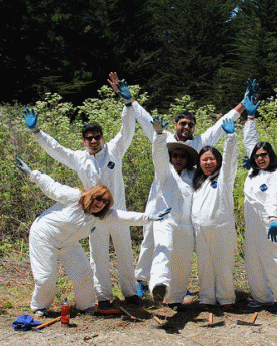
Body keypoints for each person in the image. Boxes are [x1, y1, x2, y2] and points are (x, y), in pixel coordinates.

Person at [108, 72, 258, 296]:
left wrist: (242, 107)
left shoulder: (199, 143)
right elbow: (145, 118)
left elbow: (220, 125)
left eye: (191, 124)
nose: (187, 127)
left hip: (186, 200)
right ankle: (141, 281)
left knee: (181, 245)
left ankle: (178, 285)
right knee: (151, 238)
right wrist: (129, 100)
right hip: (159, 196)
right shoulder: (164, 136)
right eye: (183, 123)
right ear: (176, 124)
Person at [22, 89, 141, 313]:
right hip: (94, 216)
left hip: (118, 213)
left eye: (97, 136)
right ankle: (103, 296)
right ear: (84, 141)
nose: (93, 140)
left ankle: (131, 293)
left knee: (125, 252)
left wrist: (127, 104)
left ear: (102, 137)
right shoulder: (79, 158)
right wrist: (37, 131)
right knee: (98, 256)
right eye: (89, 138)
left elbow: (127, 131)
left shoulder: (114, 150)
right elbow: (56, 150)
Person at [14, 157, 170, 317]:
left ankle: (86, 306)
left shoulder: (102, 216)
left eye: (105, 202)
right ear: (91, 196)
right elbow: (52, 187)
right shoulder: (75, 197)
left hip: (68, 242)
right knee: (46, 276)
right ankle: (39, 306)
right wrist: (32, 174)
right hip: (44, 236)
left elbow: (126, 217)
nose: (100, 203)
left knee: (84, 273)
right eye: (98, 198)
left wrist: (151, 217)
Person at [242, 95, 277, 316]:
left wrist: (273, 219)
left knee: (272, 260)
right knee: (252, 260)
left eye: (264, 154)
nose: (260, 158)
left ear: (270, 155)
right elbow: (249, 142)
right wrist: (250, 117)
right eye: (257, 156)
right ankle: (262, 297)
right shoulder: (254, 171)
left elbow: (274, 197)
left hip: (271, 223)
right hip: (252, 223)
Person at [146, 116, 199, 311]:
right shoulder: (164, 172)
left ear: (187, 160)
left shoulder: (193, 175)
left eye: (182, 156)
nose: (178, 158)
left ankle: (175, 299)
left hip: (185, 225)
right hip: (164, 220)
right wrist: (159, 136)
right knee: (163, 250)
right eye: (175, 155)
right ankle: (159, 285)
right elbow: (158, 155)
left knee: (183, 262)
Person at [191, 118, 238, 311]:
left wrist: (230, 138)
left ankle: (226, 298)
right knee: (204, 265)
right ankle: (206, 298)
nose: (208, 162)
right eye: (204, 159)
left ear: (217, 160)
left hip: (221, 230)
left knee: (223, 264)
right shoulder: (197, 182)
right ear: (199, 163)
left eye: (212, 159)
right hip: (200, 231)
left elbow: (230, 160)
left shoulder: (224, 178)